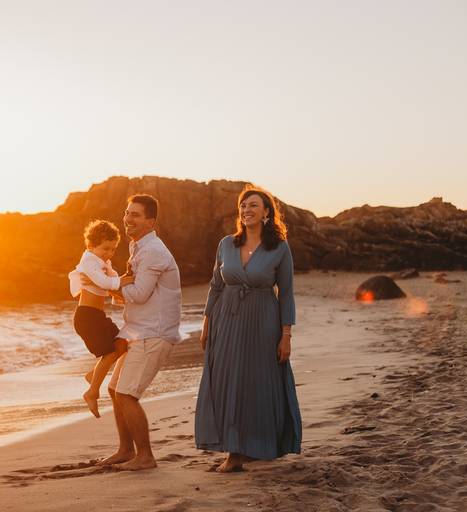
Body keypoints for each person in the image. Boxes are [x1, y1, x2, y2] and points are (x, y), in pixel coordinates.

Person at [195, 185, 302, 472]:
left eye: (253, 205)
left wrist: (286, 336)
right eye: (243, 206)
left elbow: (286, 293)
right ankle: (234, 450)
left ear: (267, 212)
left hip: (263, 322)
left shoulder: (279, 248)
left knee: (257, 383)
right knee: (228, 381)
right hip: (226, 320)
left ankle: (254, 447)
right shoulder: (226, 244)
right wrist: (206, 322)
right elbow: (216, 286)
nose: (246, 210)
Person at [94, 194, 182, 471]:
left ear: (151, 221)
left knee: (126, 395)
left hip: (153, 333)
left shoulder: (153, 251)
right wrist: (118, 287)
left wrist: (112, 286)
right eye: (127, 213)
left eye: (135, 215)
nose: (128, 219)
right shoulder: (139, 247)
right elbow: (136, 292)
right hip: (137, 331)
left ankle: (145, 456)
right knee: (114, 390)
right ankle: (125, 450)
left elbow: (140, 293)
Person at [69, 220, 132, 418]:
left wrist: (122, 281)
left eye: (113, 249)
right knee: (112, 350)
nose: (109, 253)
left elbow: (112, 280)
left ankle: (93, 376)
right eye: (105, 248)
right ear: (91, 245)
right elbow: (107, 282)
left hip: (97, 316)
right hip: (87, 317)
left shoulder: (102, 262)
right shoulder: (89, 260)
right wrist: (122, 281)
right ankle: (92, 391)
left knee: (122, 345)